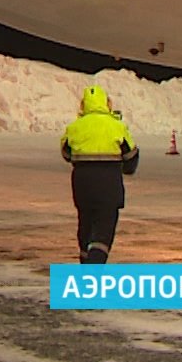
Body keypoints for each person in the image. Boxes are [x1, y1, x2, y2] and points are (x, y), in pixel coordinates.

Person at [60, 86, 139, 264]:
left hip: (82, 184)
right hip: (108, 185)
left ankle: (85, 267)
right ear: (106, 103)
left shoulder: (74, 127)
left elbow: (66, 154)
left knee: (85, 226)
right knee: (103, 231)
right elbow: (131, 156)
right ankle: (94, 272)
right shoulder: (117, 126)